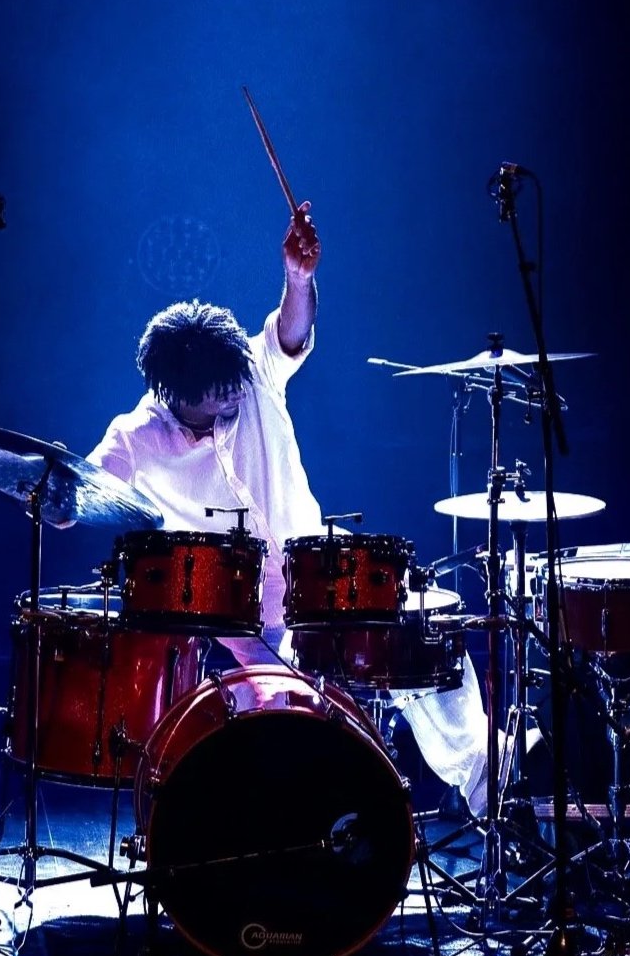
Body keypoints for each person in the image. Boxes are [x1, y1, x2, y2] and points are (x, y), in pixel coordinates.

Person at [51, 203, 494, 814]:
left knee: (427, 640)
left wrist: (298, 277)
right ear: (175, 395)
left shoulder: (253, 372)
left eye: (239, 383)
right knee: (296, 717)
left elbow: (289, 330)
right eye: (220, 395)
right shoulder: (137, 436)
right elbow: (84, 494)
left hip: (320, 579)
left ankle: (493, 792)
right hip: (243, 624)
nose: (238, 394)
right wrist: (50, 496)